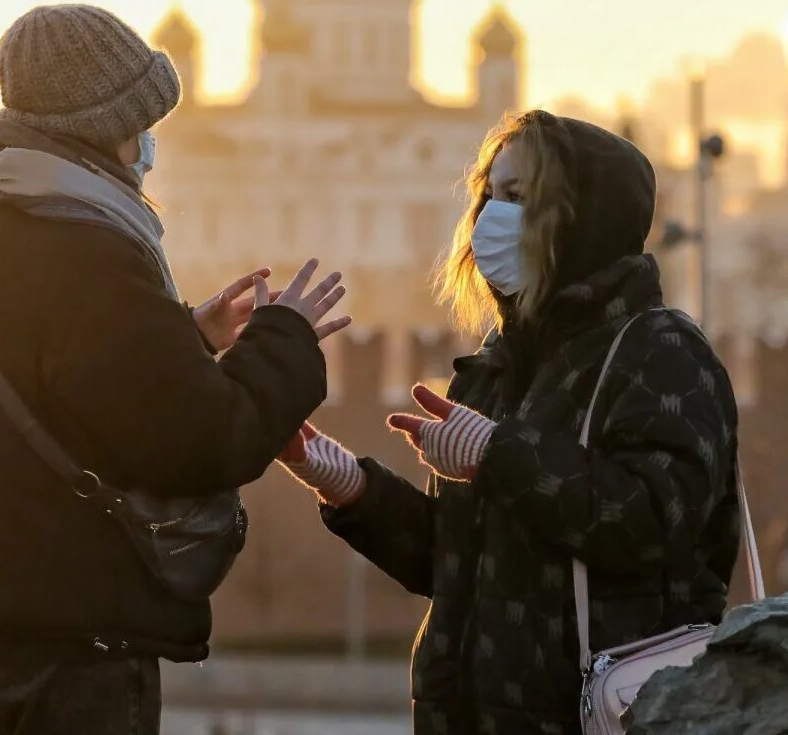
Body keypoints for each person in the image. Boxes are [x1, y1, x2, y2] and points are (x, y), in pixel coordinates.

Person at [0, 3, 347, 735]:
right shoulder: (89, 248)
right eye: (141, 125)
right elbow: (204, 441)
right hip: (74, 634)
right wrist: (285, 343)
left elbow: (54, 388)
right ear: (105, 127)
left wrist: (181, 339)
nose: (146, 148)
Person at [279, 110, 741, 735]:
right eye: (490, 196)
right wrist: (351, 487)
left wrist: (497, 452)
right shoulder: (497, 365)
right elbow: (452, 563)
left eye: (520, 197)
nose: (492, 218)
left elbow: (651, 522)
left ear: (582, 217)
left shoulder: (658, 353)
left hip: (595, 715)